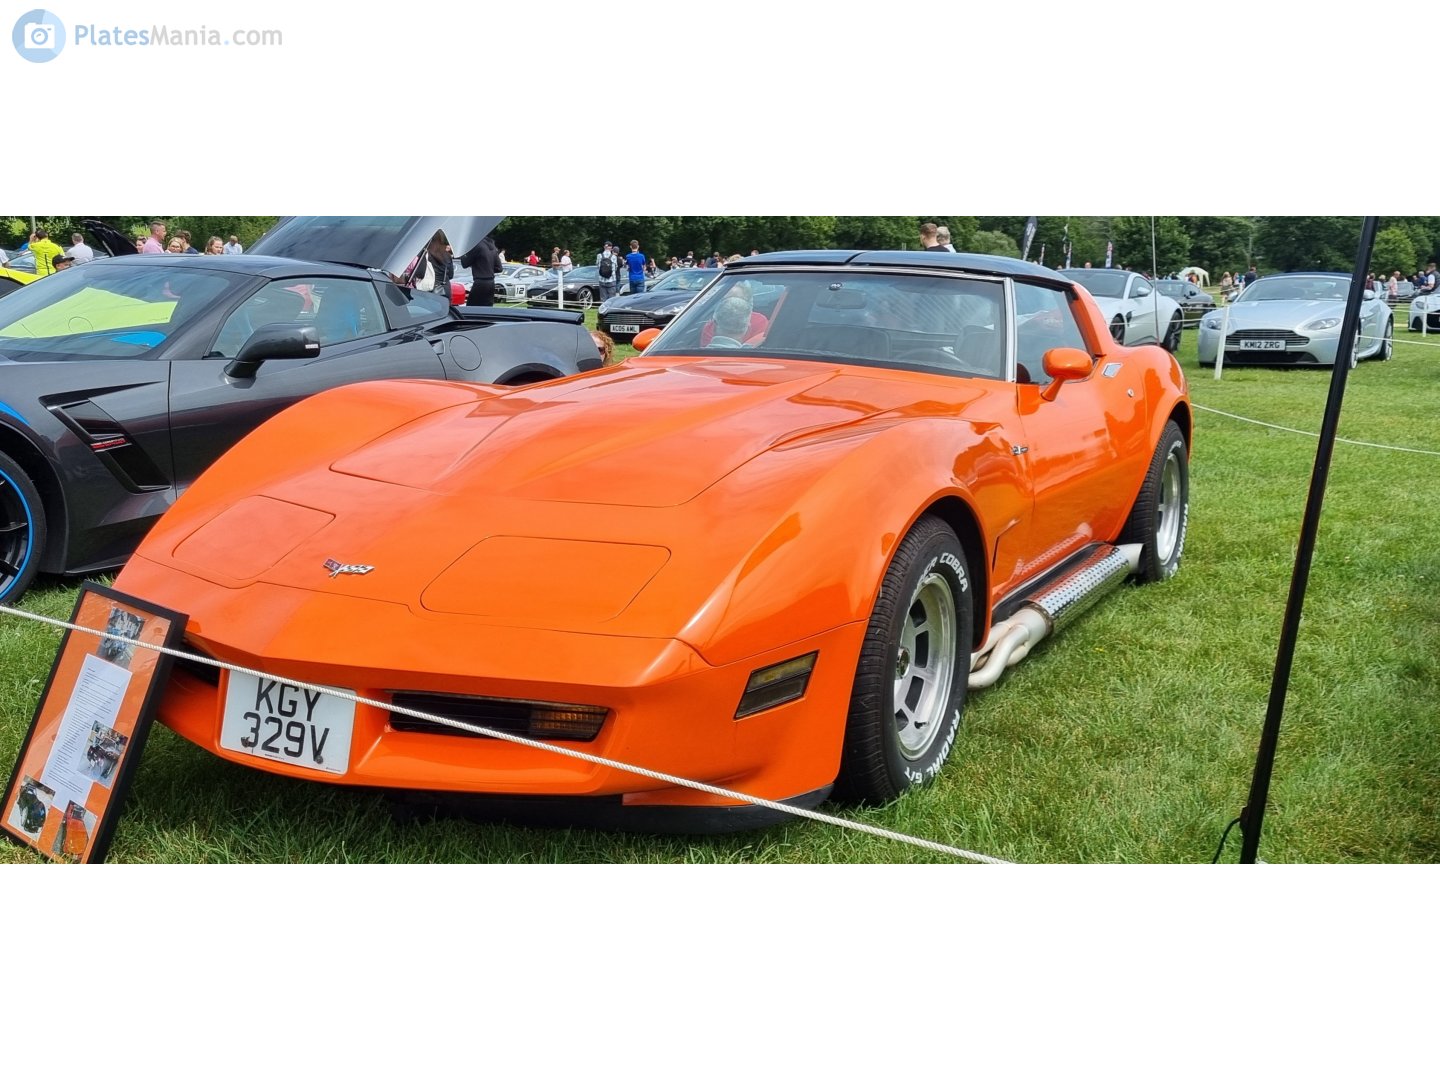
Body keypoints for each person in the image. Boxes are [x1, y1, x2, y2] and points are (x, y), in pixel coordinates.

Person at [460, 234, 503, 306]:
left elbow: (465, 264)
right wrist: (488, 269)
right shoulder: (493, 247)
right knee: (487, 309)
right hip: (491, 282)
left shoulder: (477, 246)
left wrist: (462, 253)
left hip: (480, 282)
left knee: (471, 308)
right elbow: (499, 268)